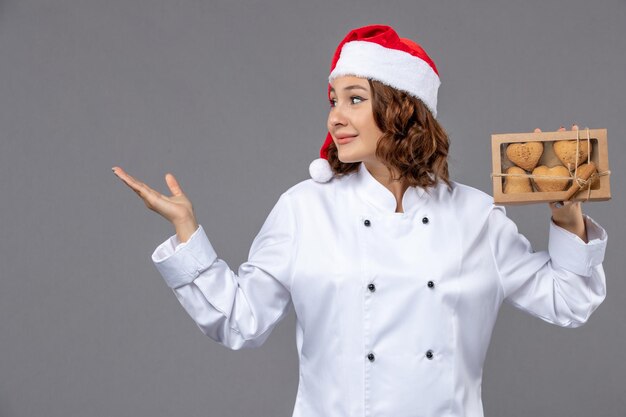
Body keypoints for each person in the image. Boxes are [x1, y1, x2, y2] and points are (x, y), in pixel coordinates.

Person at [112, 24, 607, 417]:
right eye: (333, 101)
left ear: (402, 109)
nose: (335, 117)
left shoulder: (473, 216)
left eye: (354, 98)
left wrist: (566, 213)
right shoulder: (306, 209)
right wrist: (187, 231)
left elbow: (568, 301)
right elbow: (240, 321)